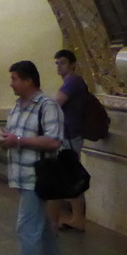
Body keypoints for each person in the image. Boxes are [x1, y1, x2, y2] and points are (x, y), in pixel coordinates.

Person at [0, 60, 68, 255]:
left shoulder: (47, 106)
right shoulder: (18, 105)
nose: (11, 83)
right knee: (43, 228)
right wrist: (4, 137)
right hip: (20, 174)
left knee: (27, 228)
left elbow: (54, 140)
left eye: (15, 78)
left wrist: (17, 141)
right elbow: (14, 133)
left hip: (37, 177)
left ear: (28, 80)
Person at [51, 49, 89, 231]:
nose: (59, 66)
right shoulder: (69, 82)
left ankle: (77, 218)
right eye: (57, 63)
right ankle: (75, 217)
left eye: (63, 62)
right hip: (67, 134)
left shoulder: (73, 82)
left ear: (73, 64)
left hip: (71, 135)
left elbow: (56, 103)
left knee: (72, 177)